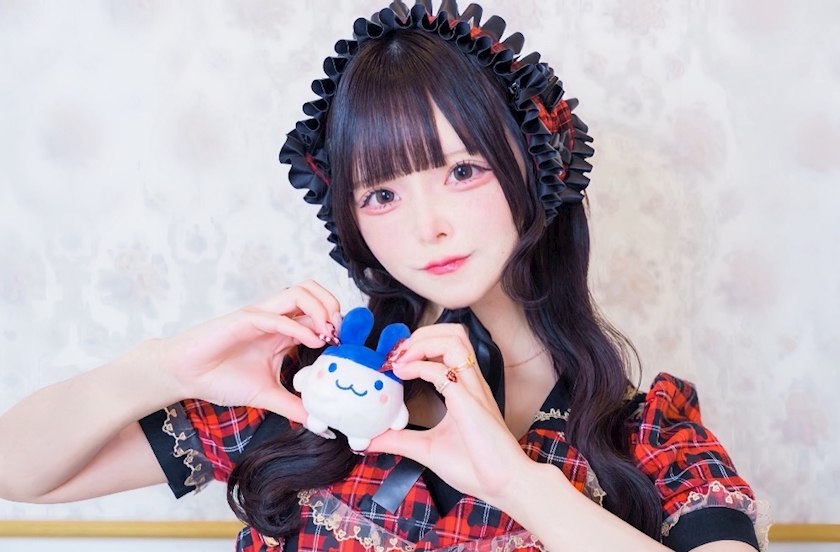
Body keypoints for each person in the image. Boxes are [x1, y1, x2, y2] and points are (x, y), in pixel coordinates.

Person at [0, 2, 767, 551]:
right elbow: (18, 472)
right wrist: (163, 367)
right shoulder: (300, 392)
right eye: (382, 193)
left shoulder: (647, 436)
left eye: (461, 170)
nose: (426, 225)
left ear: (538, 169)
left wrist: (517, 485)